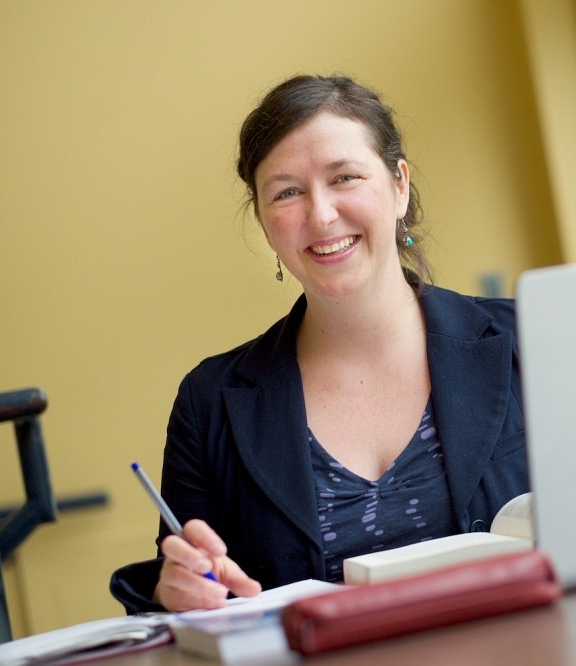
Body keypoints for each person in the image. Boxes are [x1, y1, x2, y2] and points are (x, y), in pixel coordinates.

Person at [110, 74, 529, 614]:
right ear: (264, 223)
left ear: (399, 185)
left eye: (345, 177)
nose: (321, 214)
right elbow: (185, 600)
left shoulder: (528, 340)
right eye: (286, 192)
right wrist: (175, 594)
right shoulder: (209, 402)